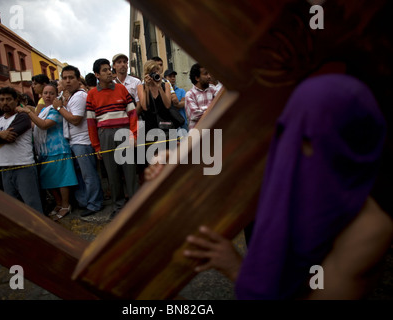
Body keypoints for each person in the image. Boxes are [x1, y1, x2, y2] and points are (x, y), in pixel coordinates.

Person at [171, 74, 393, 299]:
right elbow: (220, 172)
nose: (292, 147)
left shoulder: (367, 230)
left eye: (306, 137)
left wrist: (237, 269)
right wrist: (169, 167)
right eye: (286, 131)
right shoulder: (293, 164)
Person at [17, 84, 78, 221]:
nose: (48, 96)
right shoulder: (44, 109)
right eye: (45, 93)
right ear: (41, 95)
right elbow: (35, 125)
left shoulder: (56, 110)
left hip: (58, 149)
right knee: (48, 180)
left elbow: (43, 125)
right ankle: (58, 203)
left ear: (56, 95)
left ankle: (65, 205)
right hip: (45, 151)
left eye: (51, 93)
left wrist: (28, 112)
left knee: (62, 180)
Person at [86, 58, 139, 218]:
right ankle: (118, 207)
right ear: (97, 75)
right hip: (105, 135)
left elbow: (132, 114)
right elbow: (91, 123)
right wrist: (96, 146)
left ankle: (137, 206)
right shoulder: (92, 94)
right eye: (104, 70)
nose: (109, 72)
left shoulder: (122, 89)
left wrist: (134, 134)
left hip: (124, 132)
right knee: (112, 173)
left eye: (109, 69)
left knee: (130, 171)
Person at [52, 65, 104, 217]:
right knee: (80, 176)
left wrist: (59, 108)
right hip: (75, 142)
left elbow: (75, 119)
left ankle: (95, 204)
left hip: (83, 142)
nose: (67, 81)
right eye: (65, 78)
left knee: (89, 175)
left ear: (77, 79)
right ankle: (86, 202)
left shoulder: (80, 96)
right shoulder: (72, 96)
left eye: (71, 78)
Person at [0, 87, 43, 214]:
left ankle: (40, 231)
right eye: (2, 100)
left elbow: (10, 137)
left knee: (32, 203)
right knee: (12, 205)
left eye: (9, 99)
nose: (5, 102)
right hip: (5, 166)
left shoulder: (23, 117)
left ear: (16, 101)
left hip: (23, 166)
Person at [185, 63, 217, 130]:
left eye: (209, 73)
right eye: (205, 74)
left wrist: (201, 109)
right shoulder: (190, 95)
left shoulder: (213, 90)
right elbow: (195, 115)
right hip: (197, 136)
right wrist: (212, 108)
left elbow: (221, 107)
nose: (209, 76)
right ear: (197, 78)